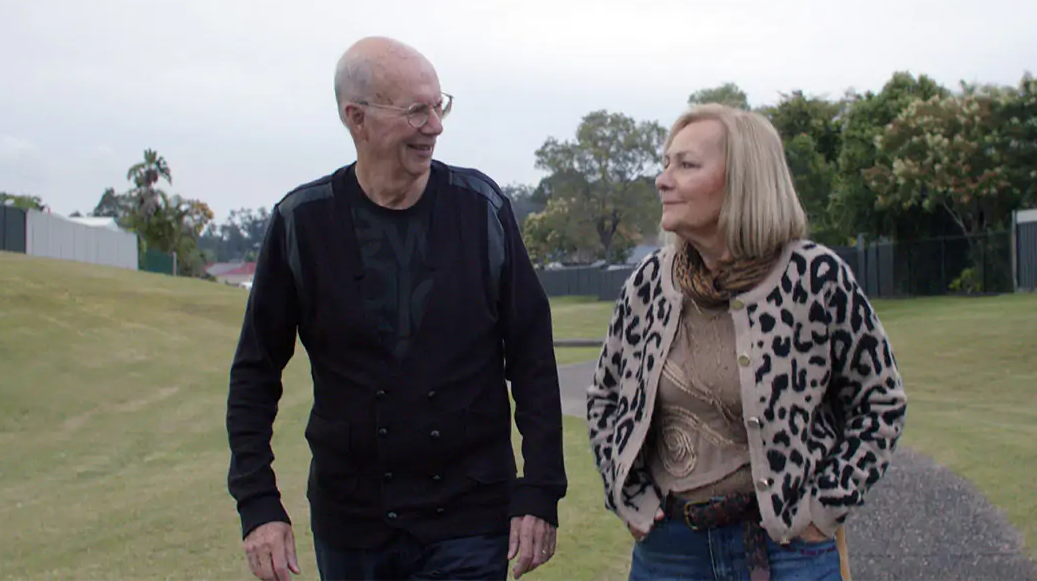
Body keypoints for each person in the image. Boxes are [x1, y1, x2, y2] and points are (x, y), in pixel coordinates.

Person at [226, 36, 567, 581]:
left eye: (439, 105)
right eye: (416, 111)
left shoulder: (482, 211)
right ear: (356, 118)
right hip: (352, 526)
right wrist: (258, 502)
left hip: (471, 518)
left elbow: (531, 357)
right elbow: (254, 375)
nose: (434, 125)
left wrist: (541, 487)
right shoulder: (301, 224)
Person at [585, 103, 907, 581]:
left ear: (742, 181)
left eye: (686, 165)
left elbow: (880, 402)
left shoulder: (813, 278)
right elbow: (605, 398)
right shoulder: (649, 284)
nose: (663, 179)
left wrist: (825, 508)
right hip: (670, 553)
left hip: (788, 550)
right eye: (666, 162)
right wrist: (628, 494)